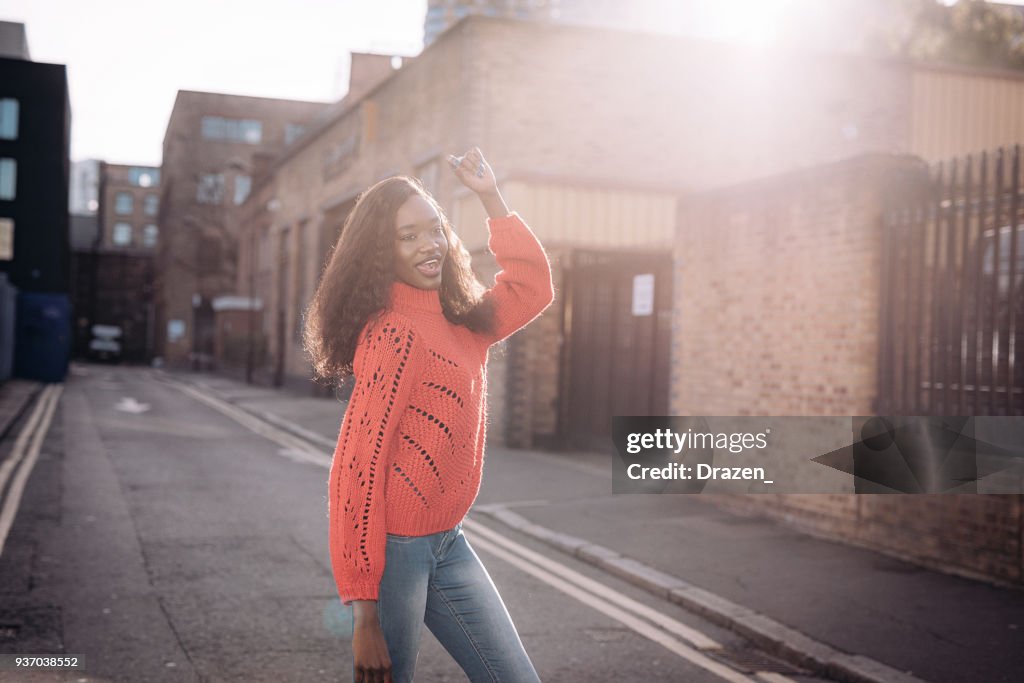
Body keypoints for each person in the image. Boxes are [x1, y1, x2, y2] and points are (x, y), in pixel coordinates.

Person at [303, 147, 553, 683]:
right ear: (380, 251)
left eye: (434, 229)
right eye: (407, 236)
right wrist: (363, 611)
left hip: (448, 541)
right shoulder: (392, 332)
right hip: (395, 553)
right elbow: (357, 468)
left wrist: (490, 196)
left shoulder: (464, 319)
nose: (428, 246)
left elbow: (532, 288)